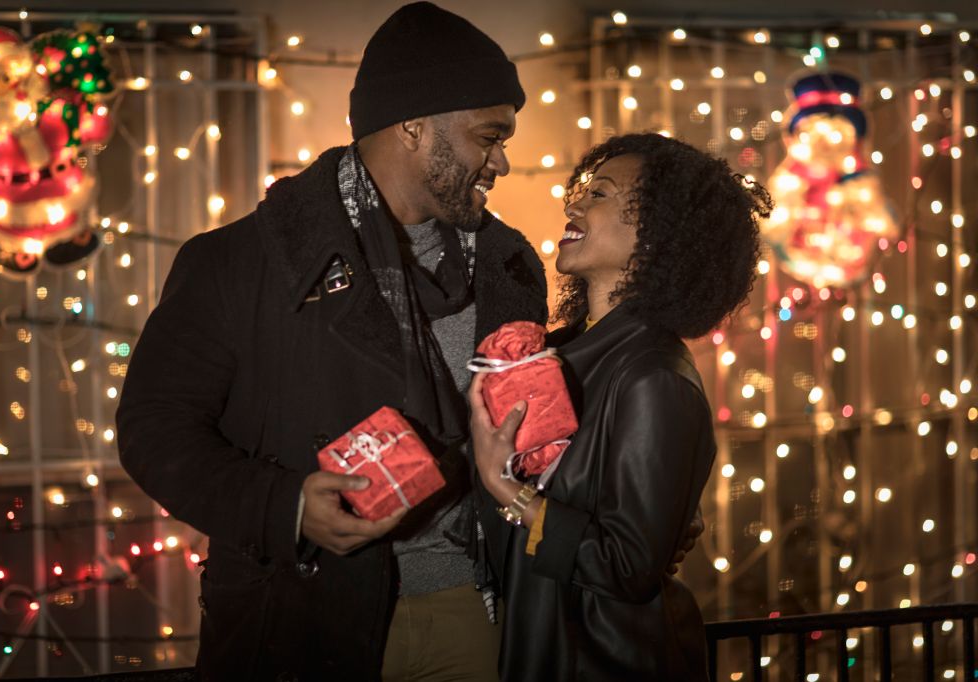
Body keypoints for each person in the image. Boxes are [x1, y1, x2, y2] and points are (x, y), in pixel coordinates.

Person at [118, 3, 544, 680]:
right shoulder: (240, 263)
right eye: (488, 138)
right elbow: (153, 429)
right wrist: (284, 505)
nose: (503, 162)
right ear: (412, 126)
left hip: (471, 603)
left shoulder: (509, 266)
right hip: (302, 614)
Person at [469, 133, 770, 681]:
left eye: (599, 195)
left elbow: (628, 567)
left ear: (656, 236)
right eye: (582, 191)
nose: (573, 204)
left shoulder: (655, 378)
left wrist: (506, 490)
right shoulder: (558, 354)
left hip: (606, 662)